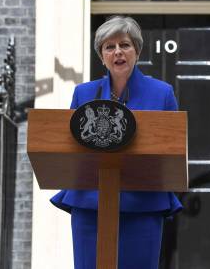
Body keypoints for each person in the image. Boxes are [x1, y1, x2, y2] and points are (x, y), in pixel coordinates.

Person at [50, 16, 182, 269]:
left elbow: (173, 149)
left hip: (143, 207)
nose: (117, 52)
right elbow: (70, 148)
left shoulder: (162, 93)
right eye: (109, 47)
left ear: (137, 51)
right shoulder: (83, 93)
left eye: (124, 45)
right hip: (90, 206)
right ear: (102, 56)